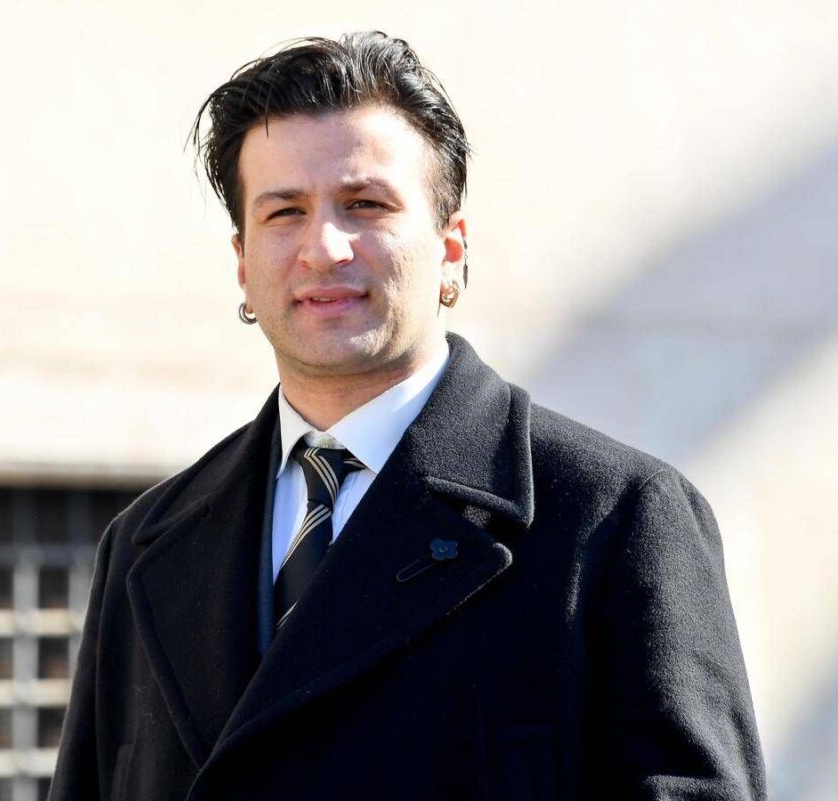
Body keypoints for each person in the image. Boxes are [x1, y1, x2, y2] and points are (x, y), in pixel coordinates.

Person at [49, 32, 766, 801]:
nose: (324, 248)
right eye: (284, 212)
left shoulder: (615, 521)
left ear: (451, 249)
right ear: (242, 264)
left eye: (365, 205)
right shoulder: (145, 544)